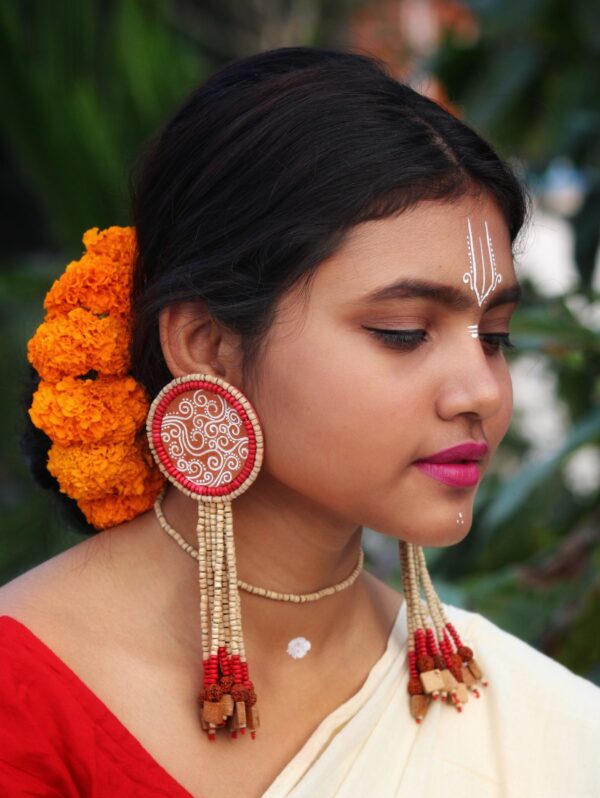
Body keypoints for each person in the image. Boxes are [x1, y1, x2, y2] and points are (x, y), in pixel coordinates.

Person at [1, 46, 598, 798]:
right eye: (404, 332)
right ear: (208, 345)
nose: (480, 389)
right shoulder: (23, 700)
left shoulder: (544, 727)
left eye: (496, 336)